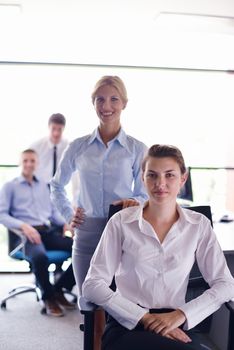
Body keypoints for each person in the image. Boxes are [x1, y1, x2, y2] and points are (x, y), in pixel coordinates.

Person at [82, 144, 234, 350]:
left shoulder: (199, 225)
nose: (160, 183)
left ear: (183, 178)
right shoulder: (121, 222)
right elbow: (92, 285)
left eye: (169, 175)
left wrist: (181, 315)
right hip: (127, 325)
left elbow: (226, 284)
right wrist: (143, 317)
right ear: (142, 178)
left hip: (176, 322)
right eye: (152, 175)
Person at [50, 76, 148, 348]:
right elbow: (57, 185)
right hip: (87, 235)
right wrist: (68, 214)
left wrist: (133, 201)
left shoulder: (137, 149)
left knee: (120, 309)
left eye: (114, 99)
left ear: (124, 103)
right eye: (100, 100)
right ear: (93, 104)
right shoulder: (79, 146)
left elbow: (146, 193)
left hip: (124, 234)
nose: (107, 106)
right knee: (91, 311)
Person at [0, 149, 76, 317]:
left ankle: (60, 288)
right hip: (25, 235)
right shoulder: (10, 186)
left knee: (82, 249)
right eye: (25, 160)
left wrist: (65, 224)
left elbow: (52, 213)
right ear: (20, 162)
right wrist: (24, 226)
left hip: (46, 231)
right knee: (40, 257)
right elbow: (2, 214)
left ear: (37, 163)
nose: (28, 164)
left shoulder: (44, 185)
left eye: (32, 161)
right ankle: (49, 298)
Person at [30, 113, 68, 184]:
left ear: (64, 129)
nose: (56, 133)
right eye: (53, 129)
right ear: (48, 127)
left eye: (59, 129)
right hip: (39, 186)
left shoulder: (68, 147)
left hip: (60, 188)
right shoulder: (36, 146)